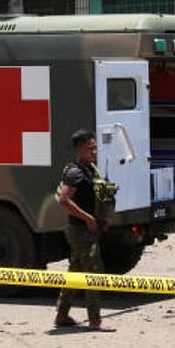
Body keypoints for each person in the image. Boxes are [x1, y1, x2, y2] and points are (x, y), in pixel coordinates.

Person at [53, 129, 116, 332]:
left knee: (76, 271)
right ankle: (95, 320)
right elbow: (63, 200)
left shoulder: (90, 169)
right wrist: (88, 219)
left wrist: (102, 219)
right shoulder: (75, 172)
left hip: (90, 229)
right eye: (90, 148)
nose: (95, 152)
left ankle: (62, 315)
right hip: (80, 230)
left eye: (95, 148)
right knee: (93, 271)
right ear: (79, 149)